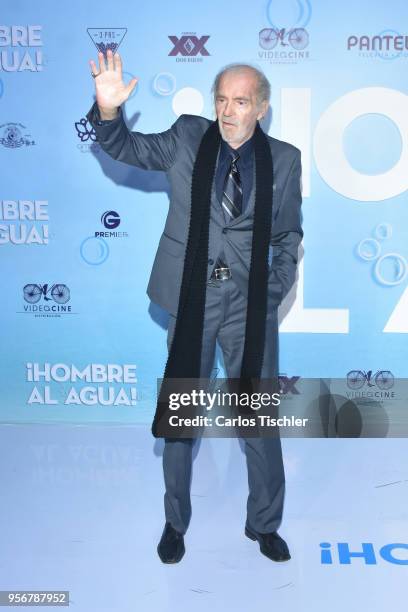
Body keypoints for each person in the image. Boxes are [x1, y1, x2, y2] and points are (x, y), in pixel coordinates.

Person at [87, 50, 303, 564]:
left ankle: (264, 523)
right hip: (192, 300)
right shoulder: (187, 137)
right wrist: (109, 110)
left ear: (262, 109)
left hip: (248, 308)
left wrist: (269, 294)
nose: (229, 111)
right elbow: (125, 148)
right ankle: (175, 523)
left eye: (242, 102)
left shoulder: (286, 159)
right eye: (222, 100)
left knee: (258, 418)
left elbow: (288, 235)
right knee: (182, 416)